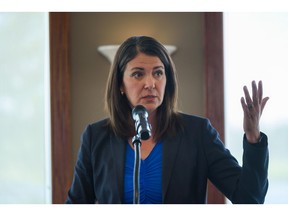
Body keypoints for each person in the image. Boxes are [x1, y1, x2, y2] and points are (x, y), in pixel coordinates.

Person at [65, 36, 269, 204]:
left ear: (167, 79)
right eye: (138, 74)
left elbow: (249, 199)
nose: (150, 83)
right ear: (120, 84)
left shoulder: (197, 132)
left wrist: (253, 138)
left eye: (158, 73)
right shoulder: (96, 137)